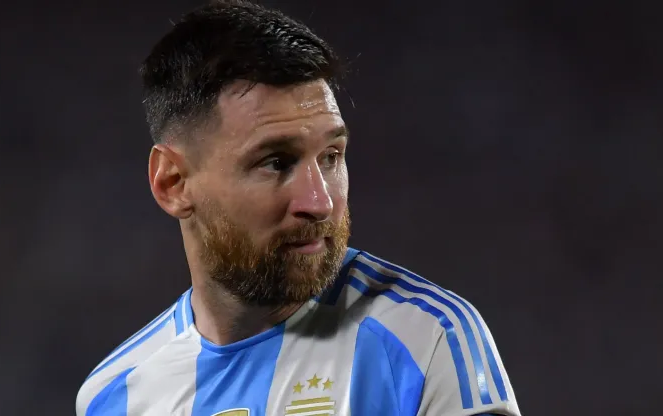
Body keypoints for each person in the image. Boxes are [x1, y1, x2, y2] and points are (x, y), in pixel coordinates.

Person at [76, 1, 521, 415]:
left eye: (331, 156)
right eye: (275, 162)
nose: (320, 202)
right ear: (172, 183)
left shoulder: (427, 342)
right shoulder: (116, 395)